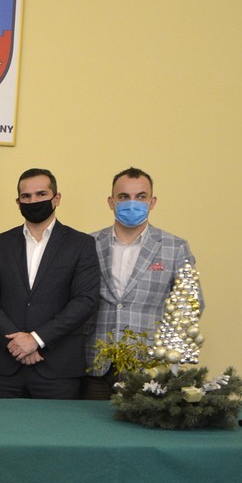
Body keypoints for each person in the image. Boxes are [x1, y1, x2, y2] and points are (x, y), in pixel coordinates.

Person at [0, 168, 99, 400]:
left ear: (56, 198)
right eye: (26, 196)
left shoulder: (81, 244)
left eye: (41, 194)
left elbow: (85, 301)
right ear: (18, 202)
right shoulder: (0, 243)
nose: (33, 201)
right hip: (7, 365)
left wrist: (36, 339)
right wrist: (18, 343)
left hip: (58, 367)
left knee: (57, 426)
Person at [83, 167, 200, 401]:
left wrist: (170, 356)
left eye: (141, 196)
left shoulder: (175, 247)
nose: (132, 203)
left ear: (152, 202)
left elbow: (190, 306)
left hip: (149, 367)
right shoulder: (87, 243)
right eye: (124, 196)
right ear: (111, 202)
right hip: (94, 365)